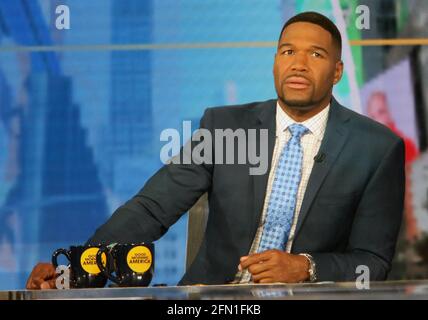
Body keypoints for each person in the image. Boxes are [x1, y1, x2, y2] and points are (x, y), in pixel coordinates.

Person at [26, 11, 405, 289]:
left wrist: (306, 267)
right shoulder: (226, 127)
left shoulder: (375, 148)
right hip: (212, 298)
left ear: (338, 71)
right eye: (287, 51)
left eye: (316, 55)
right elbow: (152, 209)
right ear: (275, 62)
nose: (299, 64)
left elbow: (371, 263)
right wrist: (78, 268)